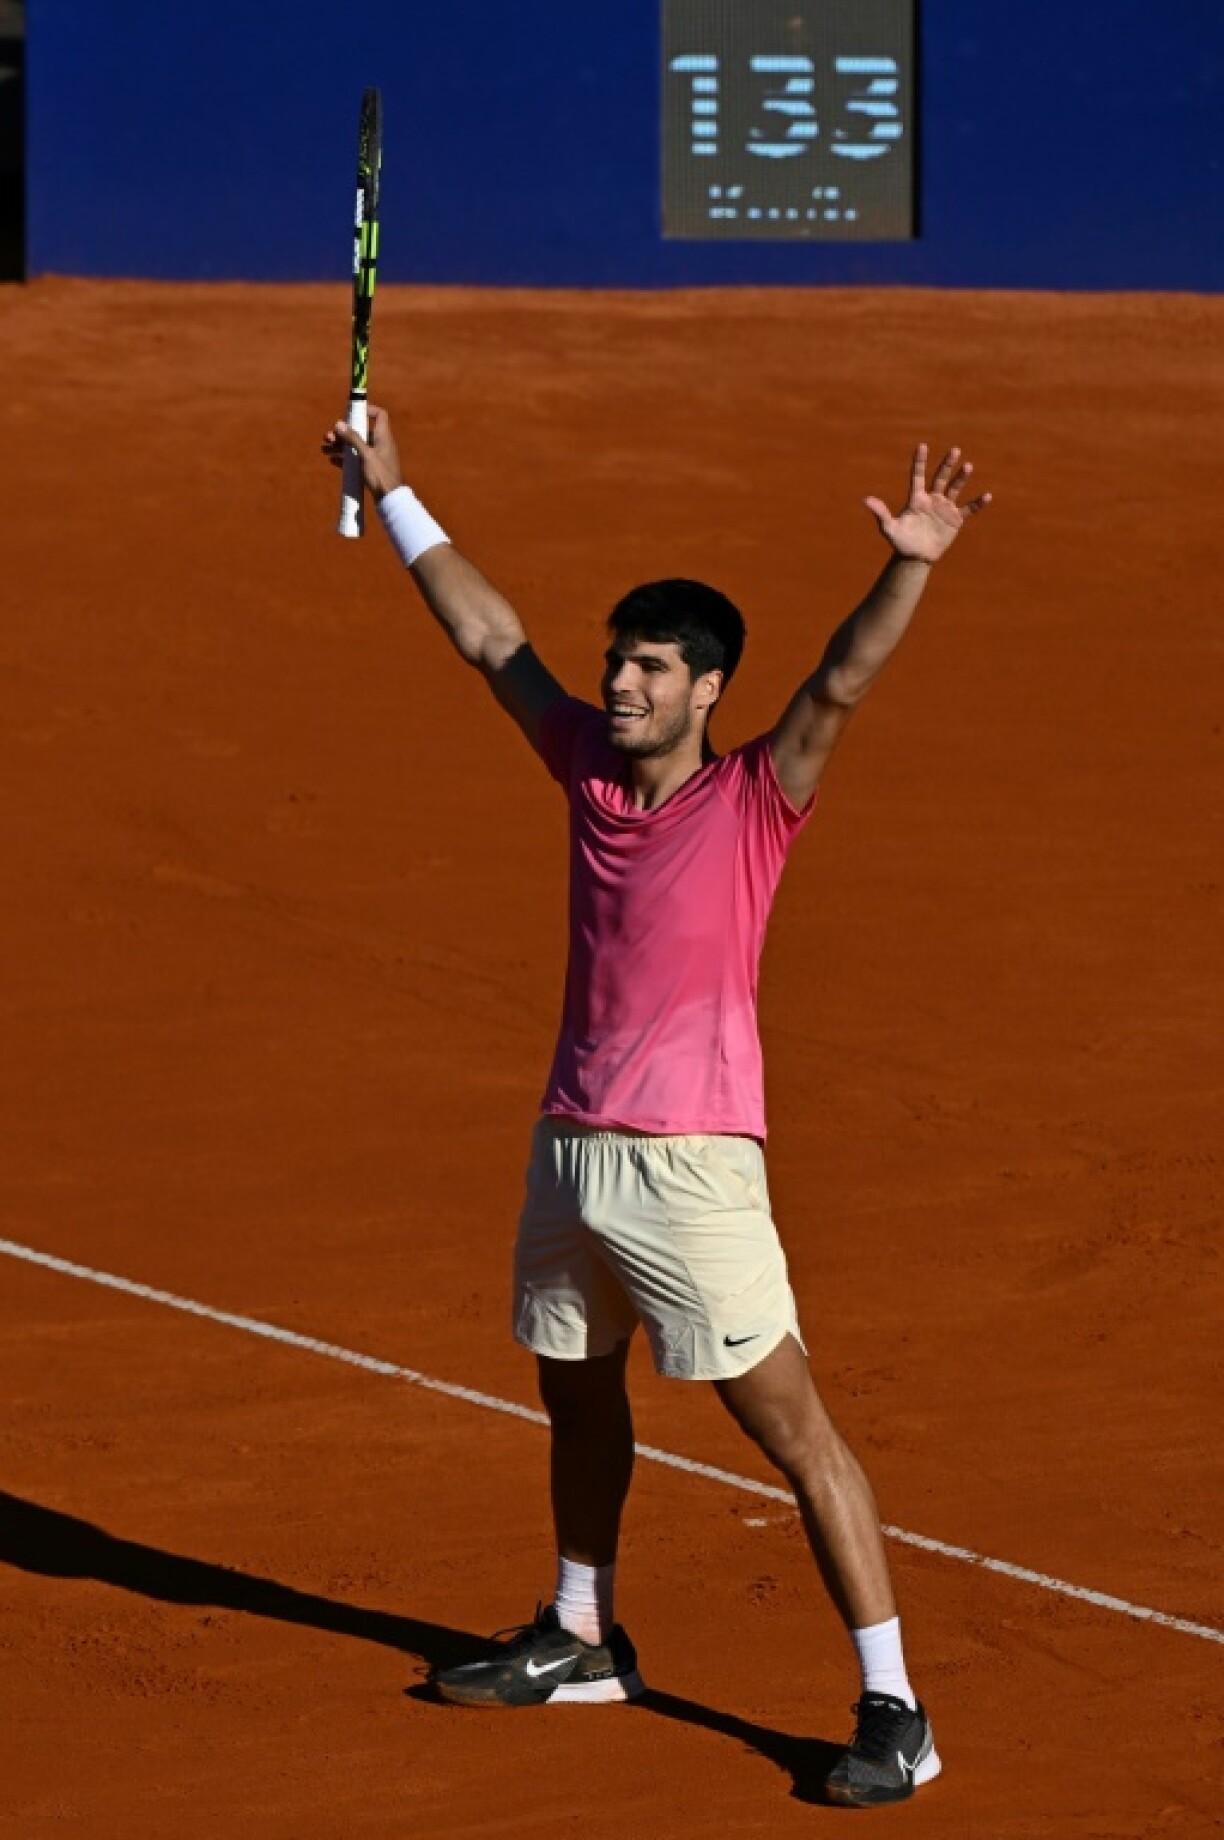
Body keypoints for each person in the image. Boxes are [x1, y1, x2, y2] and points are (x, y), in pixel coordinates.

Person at [324, 407, 990, 1808]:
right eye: (619, 657)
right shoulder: (583, 769)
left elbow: (840, 683)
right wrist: (397, 496)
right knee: (577, 1402)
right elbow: (493, 641)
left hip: (694, 1172)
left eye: (650, 666)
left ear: (707, 691)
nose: (619, 680)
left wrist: (912, 564)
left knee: (791, 1429)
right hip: (570, 1151)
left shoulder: (756, 795)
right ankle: (582, 1632)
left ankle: (895, 1706)